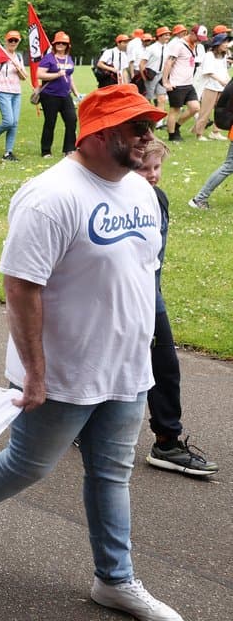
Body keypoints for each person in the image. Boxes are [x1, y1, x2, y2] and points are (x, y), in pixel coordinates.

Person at [0, 85, 184, 621]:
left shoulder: (140, 192)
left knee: (112, 472)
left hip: (126, 367)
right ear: (97, 134)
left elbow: (140, 274)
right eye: (136, 127)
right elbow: (21, 288)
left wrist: (147, 350)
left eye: (148, 126)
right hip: (62, 370)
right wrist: (35, 375)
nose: (147, 137)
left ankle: (114, 580)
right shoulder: (50, 196)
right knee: (28, 466)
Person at [132, 140, 218, 477]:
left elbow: (155, 259)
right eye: (144, 168)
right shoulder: (116, 202)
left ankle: (166, 442)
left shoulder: (158, 199)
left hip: (150, 298)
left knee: (164, 367)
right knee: (105, 364)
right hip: (121, 301)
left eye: (156, 167)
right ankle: (79, 424)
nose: (152, 175)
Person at [0, 30, 28, 161]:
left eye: (15, 40)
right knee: (8, 121)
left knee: (14, 123)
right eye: (10, 40)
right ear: (6, 41)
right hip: (3, 91)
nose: (13, 42)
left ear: (18, 42)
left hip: (16, 92)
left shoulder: (18, 57)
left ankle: (8, 152)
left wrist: (18, 68)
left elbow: (24, 77)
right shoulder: (0, 55)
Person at [35, 31, 79, 157]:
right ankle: (46, 150)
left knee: (72, 120)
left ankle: (69, 149)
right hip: (50, 95)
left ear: (67, 45)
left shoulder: (69, 59)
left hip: (65, 94)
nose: (60, 45)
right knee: (50, 122)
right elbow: (40, 74)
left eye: (63, 43)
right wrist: (56, 74)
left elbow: (70, 77)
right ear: (54, 44)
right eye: (58, 43)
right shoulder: (48, 58)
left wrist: (75, 92)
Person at [161, 24, 204, 142]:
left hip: (188, 83)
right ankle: (172, 135)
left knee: (195, 108)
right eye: (199, 38)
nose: (200, 41)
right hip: (177, 83)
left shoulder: (194, 45)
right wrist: (166, 82)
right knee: (175, 110)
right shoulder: (178, 45)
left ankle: (176, 127)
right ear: (192, 33)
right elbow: (169, 63)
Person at [191, 32, 229, 141]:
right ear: (218, 44)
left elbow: (224, 70)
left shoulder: (223, 55)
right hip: (210, 87)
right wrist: (220, 80)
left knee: (221, 110)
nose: (227, 44)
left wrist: (226, 80)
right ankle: (199, 134)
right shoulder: (209, 55)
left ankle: (216, 132)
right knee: (205, 111)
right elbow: (208, 72)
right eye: (224, 42)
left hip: (222, 87)